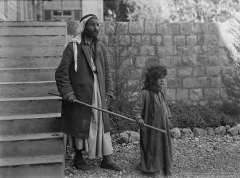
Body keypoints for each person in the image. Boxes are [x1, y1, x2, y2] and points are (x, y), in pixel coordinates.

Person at [55, 14, 122, 171]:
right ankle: (78, 157)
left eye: (98, 25)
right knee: (81, 125)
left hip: (98, 93)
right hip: (80, 95)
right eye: (93, 25)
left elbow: (106, 72)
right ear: (84, 26)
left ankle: (107, 158)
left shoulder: (101, 47)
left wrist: (109, 90)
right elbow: (61, 73)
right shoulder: (73, 47)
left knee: (101, 124)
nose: (96, 28)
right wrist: (67, 92)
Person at [133, 65, 173, 177]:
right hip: (151, 129)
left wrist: (168, 119)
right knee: (152, 147)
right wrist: (139, 119)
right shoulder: (145, 93)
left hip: (163, 127)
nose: (162, 80)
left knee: (164, 146)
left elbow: (166, 108)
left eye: (163, 77)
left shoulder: (160, 93)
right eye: (159, 78)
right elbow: (136, 110)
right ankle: (151, 168)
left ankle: (163, 166)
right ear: (152, 79)